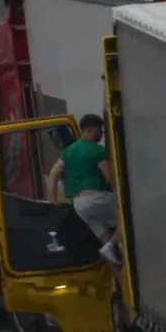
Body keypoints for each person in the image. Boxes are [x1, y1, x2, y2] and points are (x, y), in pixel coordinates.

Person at [46, 113, 120, 265]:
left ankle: (116, 269)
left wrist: (52, 198)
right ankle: (111, 246)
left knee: (106, 242)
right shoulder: (97, 150)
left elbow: (53, 173)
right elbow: (110, 177)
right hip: (96, 198)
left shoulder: (68, 151)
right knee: (129, 216)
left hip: (79, 205)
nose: (102, 134)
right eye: (100, 130)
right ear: (92, 129)